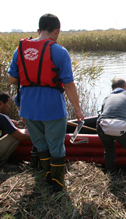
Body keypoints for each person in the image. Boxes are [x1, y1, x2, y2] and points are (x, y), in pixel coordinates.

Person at [8, 13, 84, 192]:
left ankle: (46, 174)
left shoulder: (19, 50)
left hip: (28, 107)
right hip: (52, 107)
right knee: (56, 145)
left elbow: (12, 79)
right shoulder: (60, 51)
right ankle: (57, 183)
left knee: (40, 144)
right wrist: (78, 110)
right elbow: (68, 84)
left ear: (38, 30)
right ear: (57, 31)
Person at [0, 91, 31, 171]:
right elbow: (20, 136)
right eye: (8, 103)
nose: (9, 107)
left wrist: (9, 122)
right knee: (14, 137)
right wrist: (37, 136)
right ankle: (1, 164)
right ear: (0, 103)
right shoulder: (2, 118)